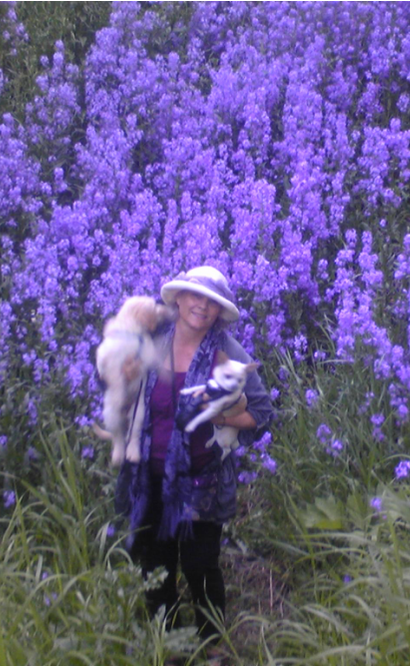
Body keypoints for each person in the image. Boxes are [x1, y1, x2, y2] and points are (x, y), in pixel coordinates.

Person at [114, 265, 273, 643]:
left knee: (201, 569)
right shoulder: (152, 341)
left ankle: (213, 646)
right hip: (149, 478)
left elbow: (263, 413)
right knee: (155, 569)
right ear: (179, 299)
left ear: (219, 312)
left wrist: (219, 414)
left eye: (212, 302)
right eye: (195, 296)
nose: (202, 306)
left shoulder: (228, 353)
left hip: (201, 482)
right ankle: (167, 646)